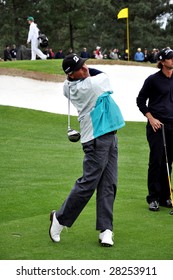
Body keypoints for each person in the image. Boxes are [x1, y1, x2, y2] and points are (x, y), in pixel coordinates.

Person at [49, 53, 125, 246]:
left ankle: (106, 229)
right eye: (80, 68)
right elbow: (104, 75)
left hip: (109, 134)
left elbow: (86, 73)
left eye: (85, 65)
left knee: (109, 184)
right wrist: (86, 72)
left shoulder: (68, 86)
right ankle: (59, 219)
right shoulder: (92, 85)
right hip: (96, 139)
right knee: (88, 184)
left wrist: (78, 69)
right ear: (72, 75)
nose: (86, 69)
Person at [136, 47, 173, 211]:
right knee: (156, 161)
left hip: (172, 125)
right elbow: (141, 100)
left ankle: (166, 196)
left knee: (169, 161)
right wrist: (151, 118)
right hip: (157, 126)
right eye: (170, 58)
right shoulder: (153, 79)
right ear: (163, 61)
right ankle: (153, 197)